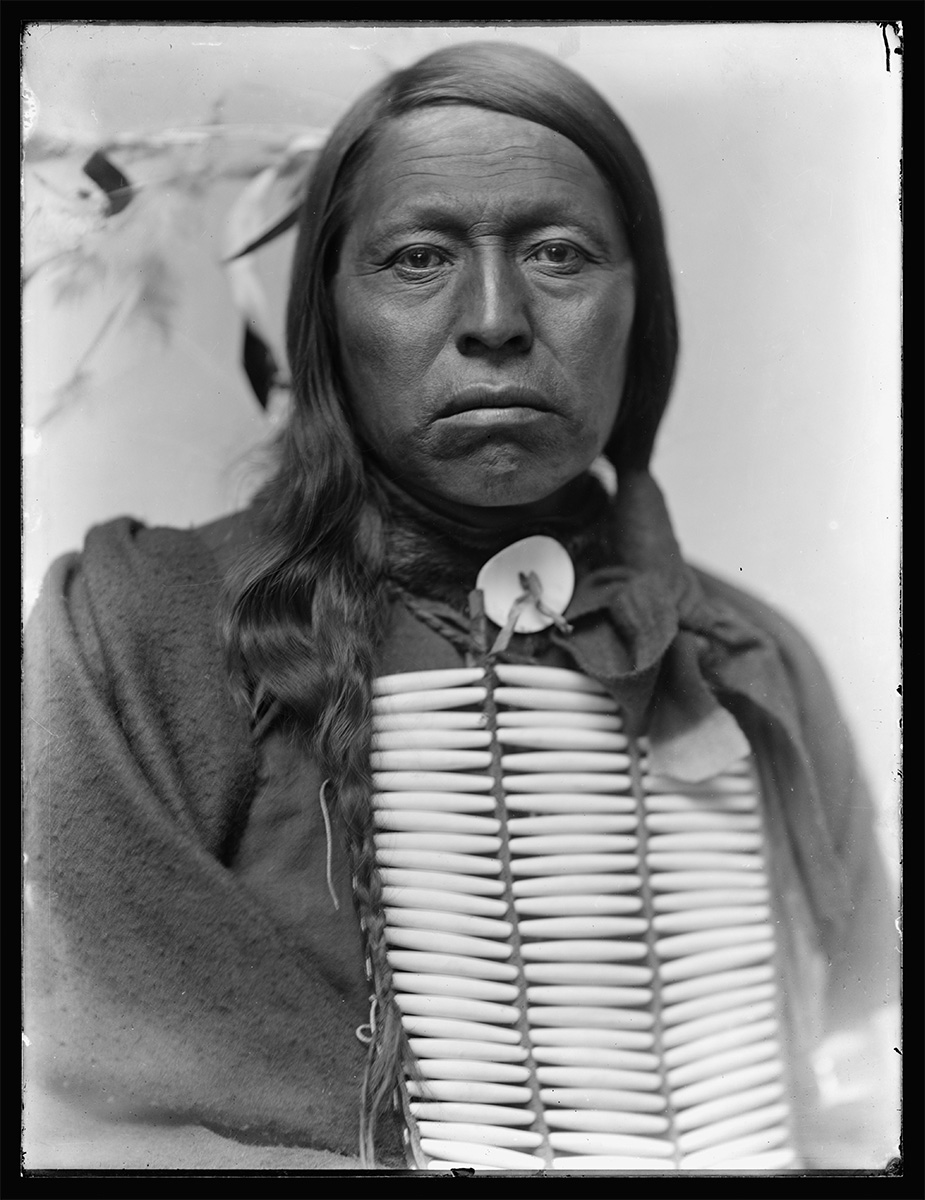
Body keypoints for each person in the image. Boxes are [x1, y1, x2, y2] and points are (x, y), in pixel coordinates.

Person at [23, 41, 898, 1173]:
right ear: (328, 320)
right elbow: (82, 1111)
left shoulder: (753, 669)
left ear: (646, 312)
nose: (495, 317)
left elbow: (859, 1093)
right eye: (418, 257)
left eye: (558, 253)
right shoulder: (134, 641)